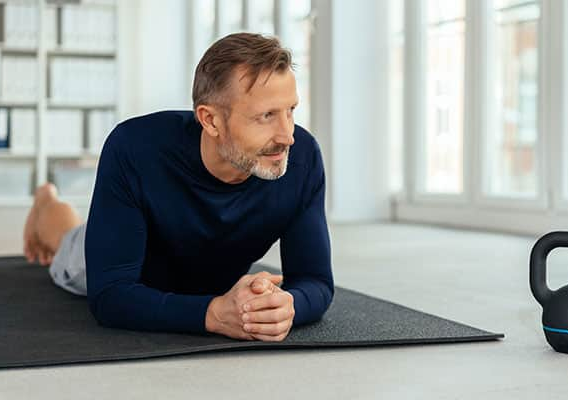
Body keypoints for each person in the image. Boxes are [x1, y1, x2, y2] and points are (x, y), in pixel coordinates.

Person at [21, 33, 334, 342]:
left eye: (290, 111)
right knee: (66, 241)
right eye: (266, 116)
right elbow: (110, 296)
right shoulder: (134, 148)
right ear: (210, 121)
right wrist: (212, 314)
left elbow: (315, 280)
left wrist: (290, 307)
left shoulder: (302, 158)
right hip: (138, 265)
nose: (287, 136)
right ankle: (46, 200)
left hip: (208, 273)